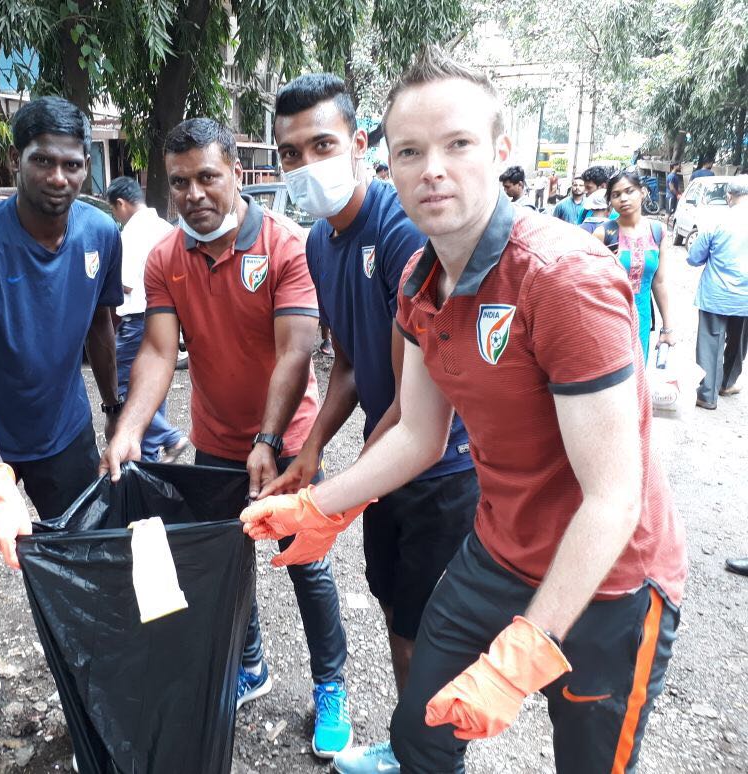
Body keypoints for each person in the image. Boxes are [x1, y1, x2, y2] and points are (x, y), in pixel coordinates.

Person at [241, 46, 686, 774]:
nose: (432, 169)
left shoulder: (563, 279)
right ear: (387, 161)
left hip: (612, 579)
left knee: (591, 762)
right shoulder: (421, 279)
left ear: (500, 150)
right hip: (497, 550)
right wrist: (320, 505)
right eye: (411, 151)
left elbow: (614, 497)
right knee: (422, 729)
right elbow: (418, 432)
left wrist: (526, 652)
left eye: (457, 144)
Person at [100, 117, 352, 759]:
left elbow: (296, 349)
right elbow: (158, 353)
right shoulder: (164, 257)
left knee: (306, 565)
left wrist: (268, 437)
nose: (194, 194)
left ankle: (330, 687)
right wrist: (129, 429)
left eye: (208, 176)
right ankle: (251, 664)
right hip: (214, 443)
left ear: (237, 174)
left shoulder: (287, 245)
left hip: (289, 439)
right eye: (179, 182)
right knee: (226, 562)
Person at [268, 73, 477, 774]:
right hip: (384, 458)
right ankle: (409, 743)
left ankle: (435, 761)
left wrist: (338, 495)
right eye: (290, 153)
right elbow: (352, 367)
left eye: (320, 144)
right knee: (394, 612)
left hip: (439, 467)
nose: (304, 165)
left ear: (360, 144)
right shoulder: (321, 245)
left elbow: (418, 407)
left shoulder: (401, 232)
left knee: (431, 631)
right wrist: (310, 449)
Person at [0, 96, 123, 731]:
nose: (58, 178)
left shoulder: (101, 234)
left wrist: (117, 409)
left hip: (64, 432)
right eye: (43, 162)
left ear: (85, 166)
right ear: (17, 159)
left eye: (71, 164)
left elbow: (101, 328)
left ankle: (96, 669)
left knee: (81, 551)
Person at [103, 176, 188, 463]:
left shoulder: (131, 233)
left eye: (115, 211)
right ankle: (149, 460)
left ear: (121, 204)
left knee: (127, 391)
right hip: (167, 320)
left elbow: (124, 284)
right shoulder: (165, 227)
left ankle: (169, 437)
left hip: (138, 321)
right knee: (154, 392)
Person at [594, 170, 675, 362]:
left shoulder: (658, 231)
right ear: (610, 201)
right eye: (616, 195)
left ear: (643, 192)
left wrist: (667, 328)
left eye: (629, 191)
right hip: (608, 318)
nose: (623, 198)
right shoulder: (603, 234)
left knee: (638, 376)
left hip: (642, 318)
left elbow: (660, 282)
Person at [686, 175, 748, 410]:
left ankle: (707, 393)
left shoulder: (717, 221)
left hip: (716, 295)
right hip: (746, 298)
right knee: (739, 342)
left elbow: (694, 258)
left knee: (711, 342)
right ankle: (727, 383)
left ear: (729, 196)